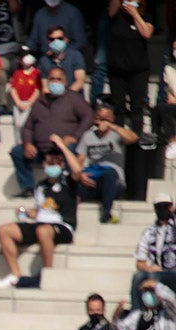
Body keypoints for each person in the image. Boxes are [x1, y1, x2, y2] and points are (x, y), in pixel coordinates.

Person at [0, 142, 79, 289]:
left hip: (63, 226)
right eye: (49, 163)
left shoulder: (68, 181)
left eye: (56, 163)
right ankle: (15, 275)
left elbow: (78, 171)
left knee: (43, 230)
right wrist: (26, 212)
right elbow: (40, 211)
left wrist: (62, 145)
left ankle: (47, 274)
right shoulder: (41, 186)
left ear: (62, 164)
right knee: (4, 230)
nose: (52, 166)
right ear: (43, 164)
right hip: (41, 224)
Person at [11, 67, 92, 198]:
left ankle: (68, 189)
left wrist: (75, 136)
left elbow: (88, 117)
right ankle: (28, 188)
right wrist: (27, 143)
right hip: (41, 150)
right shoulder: (39, 101)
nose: (55, 82)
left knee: (70, 151)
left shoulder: (74, 98)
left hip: (64, 149)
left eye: (58, 79)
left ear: (65, 82)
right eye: (52, 79)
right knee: (17, 152)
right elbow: (28, 127)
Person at [74, 104, 137, 224]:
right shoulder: (88, 136)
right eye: (99, 118)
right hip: (94, 179)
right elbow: (79, 161)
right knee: (74, 181)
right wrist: (80, 176)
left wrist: (112, 126)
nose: (102, 122)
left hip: (113, 181)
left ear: (112, 119)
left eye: (106, 118)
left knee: (109, 173)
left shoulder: (117, 134)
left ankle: (107, 213)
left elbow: (133, 138)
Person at [106, 0, 152, 133]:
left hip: (138, 70)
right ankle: (119, 141)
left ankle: (136, 141)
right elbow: (111, 10)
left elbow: (146, 33)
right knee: (119, 108)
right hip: (117, 69)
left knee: (137, 108)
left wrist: (135, 14)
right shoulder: (116, 16)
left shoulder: (146, 17)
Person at [130, 194, 176, 311]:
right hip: (158, 272)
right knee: (139, 276)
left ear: (172, 207)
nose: (163, 209)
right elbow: (140, 263)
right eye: (159, 207)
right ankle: (137, 313)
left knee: (153, 277)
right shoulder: (149, 232)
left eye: (166, 206)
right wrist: (149, 267)